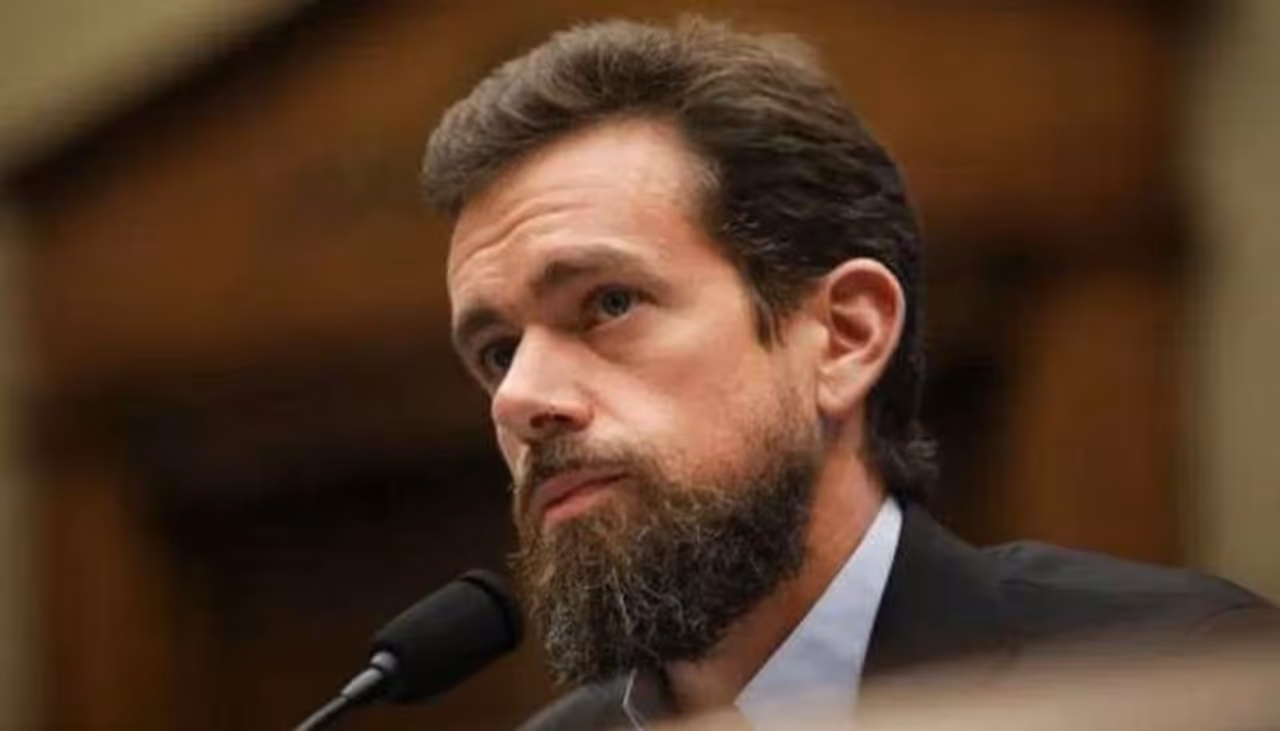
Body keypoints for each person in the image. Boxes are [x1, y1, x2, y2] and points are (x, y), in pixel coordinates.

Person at [421, 17, 1275, 731]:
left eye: (608, 303)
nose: (519, 397)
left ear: (844, 336)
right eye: (497, 351)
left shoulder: (1179, 677)